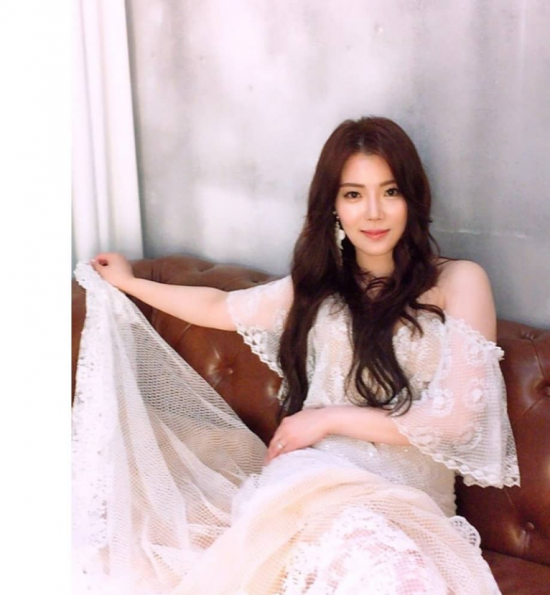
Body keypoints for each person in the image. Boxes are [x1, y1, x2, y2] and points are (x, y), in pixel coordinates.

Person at [74, 116, 519, 595]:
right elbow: (218, 307)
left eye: (389, 192)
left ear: (412, 197)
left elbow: (458, 422)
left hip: (408, 504)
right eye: (354, 194)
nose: (373, 212)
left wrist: (327, 418)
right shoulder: (318, 286)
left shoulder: (459, 282)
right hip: (314, 483)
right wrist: (130, 283)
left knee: (386, 573)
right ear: (334, 205)